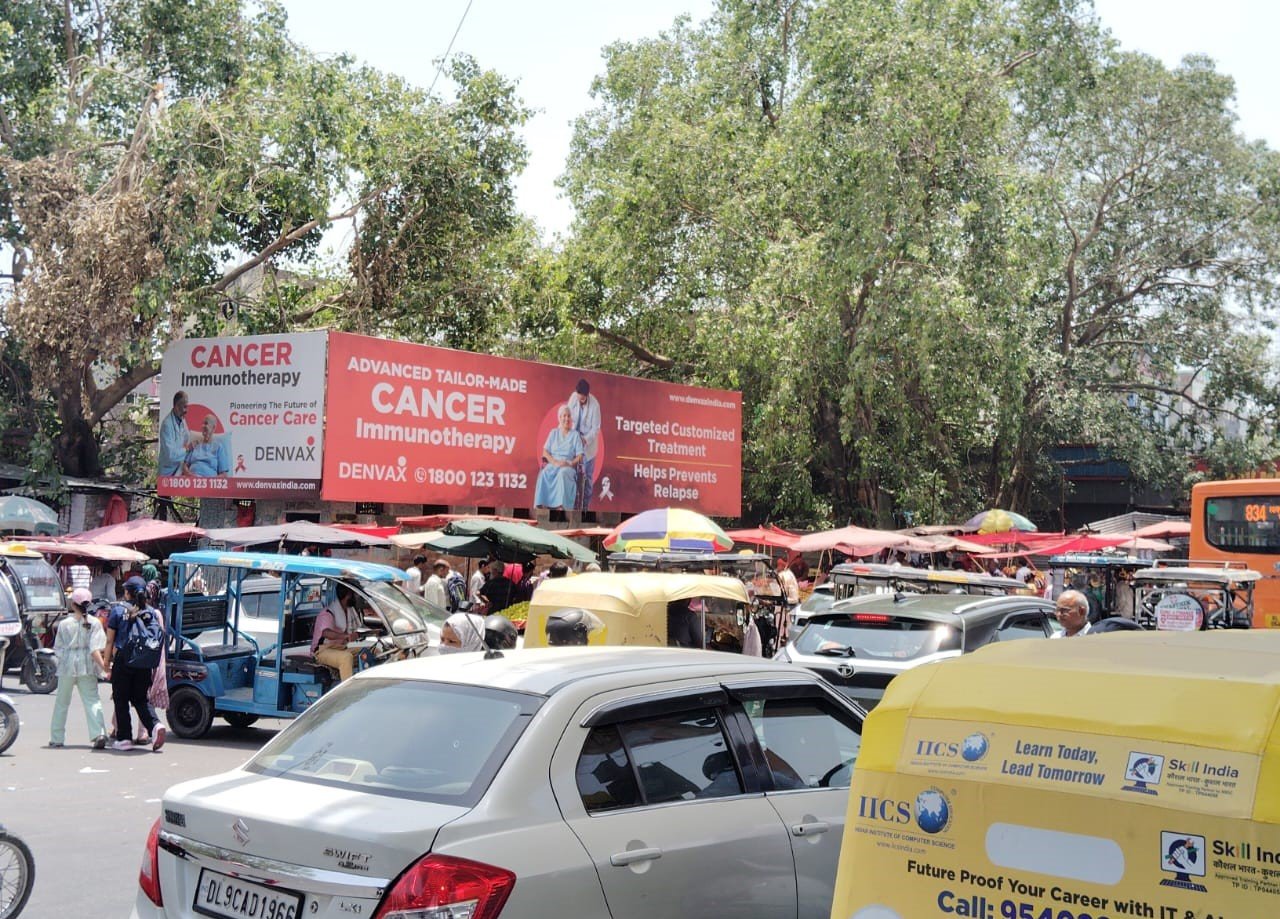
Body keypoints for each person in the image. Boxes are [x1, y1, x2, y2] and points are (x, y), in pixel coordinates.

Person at [103, 579, 166, 752]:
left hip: (124, 660)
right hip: (144, 662)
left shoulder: (118, 611)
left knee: (121, 699)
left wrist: (106, 663)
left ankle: (124, 738)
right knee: (140, 699)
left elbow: (109, 641)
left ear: (127, 592)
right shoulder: (150, 612)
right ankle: (155, 725)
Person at [49, 588, 108, 749]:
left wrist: (66, 658)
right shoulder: (95, 623)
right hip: (87, 666)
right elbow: (98, 647)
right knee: (92, 700)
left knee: (62, 703)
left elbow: (58, 648)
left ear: (73, 604)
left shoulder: (64, 624)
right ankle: (99, 733)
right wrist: (104, 667)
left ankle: (57, 738)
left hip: (67, 666)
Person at [310, 583, 364, 681]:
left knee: (372, 651)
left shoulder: (348, 611)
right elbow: (326, 633)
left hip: (340, 649)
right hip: (322, 651)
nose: (356, 598)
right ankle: (348, 690)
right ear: (348, 595)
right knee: (346, 658)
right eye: (354, 594)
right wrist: (346, 636)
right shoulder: (328, 613)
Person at [534, 405, 585, 510]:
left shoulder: (575, 435)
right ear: (560, 418)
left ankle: (560, 506)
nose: (567, 418)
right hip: (554, 464)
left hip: (567, 466)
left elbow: (580, 456)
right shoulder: (553, 433)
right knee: (545, 473)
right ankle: (542, 505)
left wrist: (570, 463)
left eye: (569, 416)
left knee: (563, 473)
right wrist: (554, 462)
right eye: (564, 416)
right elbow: (545, 452)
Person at [566, 378, 601, 510]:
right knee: (571, 474)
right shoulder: (573, 397)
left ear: (587, 395)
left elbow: (595, 428)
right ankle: (571, 506)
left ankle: (585, 508)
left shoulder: (595, 405)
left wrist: (585, 439)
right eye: (578, 396)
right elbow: (568, 417)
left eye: (582, 398)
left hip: (588, 445)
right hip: (574, 443)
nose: (579, 399)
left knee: (588, 479)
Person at [158, 390, 191, 476]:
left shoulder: (182, 420)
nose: (186, 410)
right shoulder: (167, 425)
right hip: (167, 472)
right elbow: (171, 455)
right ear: (176, 406)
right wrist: (186, 449)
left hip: (178, 468)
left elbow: (187, 437)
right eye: (185, 407)